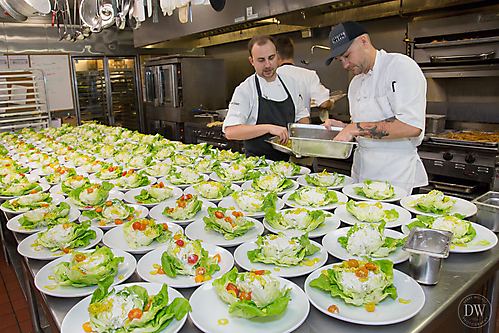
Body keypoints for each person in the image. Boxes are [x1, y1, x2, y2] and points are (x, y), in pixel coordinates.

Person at [323, 21, 428, 194]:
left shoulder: (399, 67)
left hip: (396, 180)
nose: (345, 65)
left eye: (347, 55)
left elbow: (411, 126)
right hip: (361, 177)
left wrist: (353, 128)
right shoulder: (355, 83)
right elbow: (362, 128)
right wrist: (343, 128)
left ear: (363, 41)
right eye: (339, 60)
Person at [223, 34, 309, 161]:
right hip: (258, 167)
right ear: (252, 61)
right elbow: (230, 131)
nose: (268, 65)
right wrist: (269, 128)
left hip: (289, 166)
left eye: (271, 58)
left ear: (277, 56)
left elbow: (302, 119)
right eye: (261, 60)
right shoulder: (246, 90)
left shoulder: (290, 84)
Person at [275, 36, 333, 113]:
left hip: (277, 124)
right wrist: (331, 104)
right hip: (302, 123)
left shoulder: (271, 76)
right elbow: (324, 103)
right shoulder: (309, 75)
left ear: (277, 55)